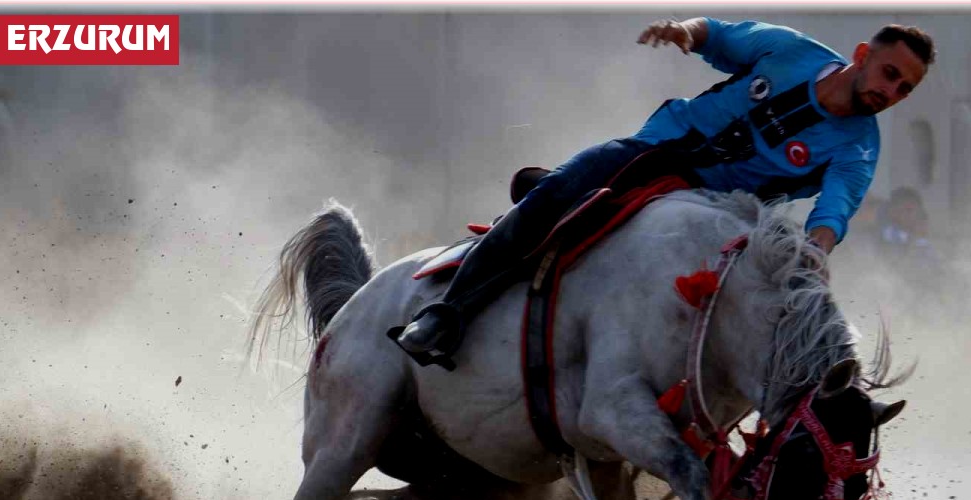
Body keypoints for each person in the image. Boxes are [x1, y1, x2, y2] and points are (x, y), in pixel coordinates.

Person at [395, 17, 935, 362]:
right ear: (863, 54)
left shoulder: (860, 147)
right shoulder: (793, 50)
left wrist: (816, 251)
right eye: (888, 73)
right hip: (662, 150)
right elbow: (718, 36)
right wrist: (683, 30)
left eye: (904, 88)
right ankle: (449, 312)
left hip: (721, 212)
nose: (891, 91)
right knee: (559, 192)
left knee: (753, 311)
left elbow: (835, 209)